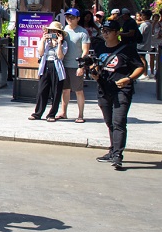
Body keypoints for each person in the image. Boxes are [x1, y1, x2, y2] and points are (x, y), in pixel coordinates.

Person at [85, 20, 145, 171]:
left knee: (119, 122)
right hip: (104, 88)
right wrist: (94, 72)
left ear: (117, 32)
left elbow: (140, 67)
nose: (105, 33)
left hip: (122, 90)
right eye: (103, 30)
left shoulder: (127, 49)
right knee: (109, 121)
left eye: (108, 31)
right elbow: (96, 66)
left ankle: (118, 155)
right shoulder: (99, 47)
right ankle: (112, 150)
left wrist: (128, 79)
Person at [29, 21, 67, 121]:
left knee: (56, 92)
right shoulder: (45, 41)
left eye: (56, 32)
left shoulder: (64, 43)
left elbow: (60, 56)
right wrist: (43, 39)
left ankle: (52, 114)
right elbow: (41, 53)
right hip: (45, 65)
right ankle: (38, 113)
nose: (53, 33)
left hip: (57, 67)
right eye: (52, 31)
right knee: (42, 90)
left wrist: (59, 43)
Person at [58, 9, 91, 123]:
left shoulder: (83, 32)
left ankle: (80, 114)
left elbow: (85, 51)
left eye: (72, 17)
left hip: (76, 65)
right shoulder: (63, 30)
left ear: (78, 18)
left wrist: (81, 66)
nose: (69, 19)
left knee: (78, 90)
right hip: (63, 65)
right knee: (65, 90)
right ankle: (63, 112)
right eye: (67, 17)